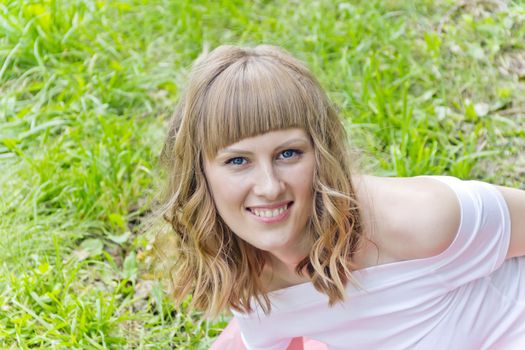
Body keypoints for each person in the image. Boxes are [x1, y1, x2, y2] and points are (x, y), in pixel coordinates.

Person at [155, 44, 525, 349]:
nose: (269, 186)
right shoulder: (237, 260)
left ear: (323, 153)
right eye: (238, 160)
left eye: (289, 154)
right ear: (199, 175)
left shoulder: (423, 218)